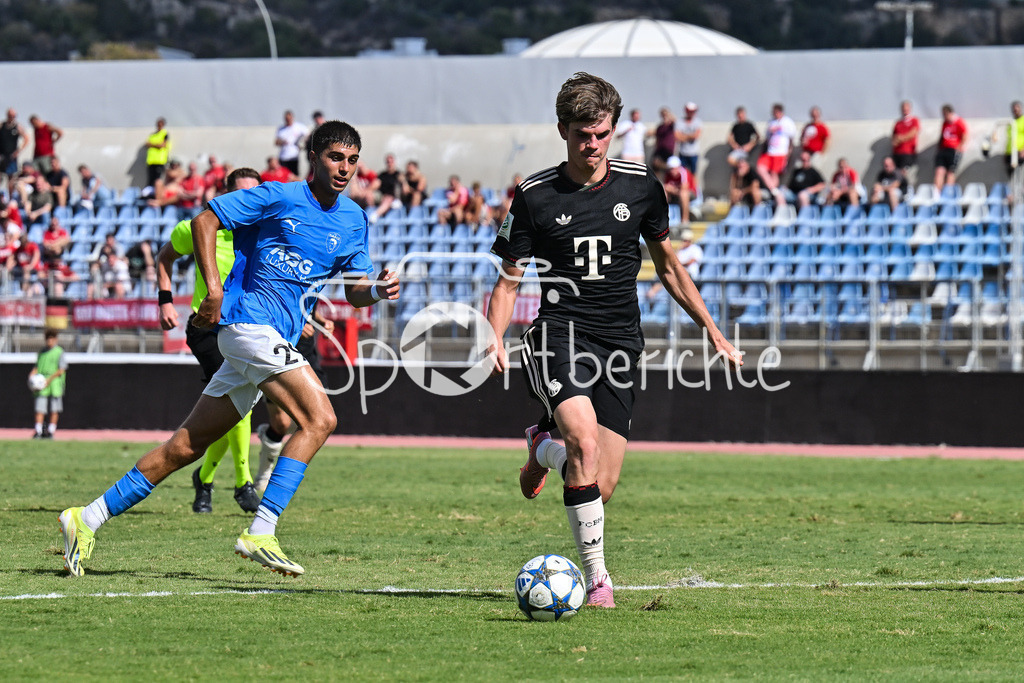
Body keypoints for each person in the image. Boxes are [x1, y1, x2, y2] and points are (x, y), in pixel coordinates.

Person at [58, 120, 401, 578]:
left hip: (265, 339)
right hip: (248, 326)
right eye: (336, 157)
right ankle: (261, 529)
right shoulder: (277, 196)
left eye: (353, 160)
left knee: (186, 445)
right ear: (314, 157)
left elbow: (356, 290)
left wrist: (376, 291)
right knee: (320, 419)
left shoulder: (353, 219)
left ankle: (87, 517)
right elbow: (204, 219)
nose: (345, 168)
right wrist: (214, 290)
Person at [486, 72, 741, 609]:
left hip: (622, 342)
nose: (592, 145)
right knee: (586, 444)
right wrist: (494, 337)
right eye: (582, 134)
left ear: (614, 129)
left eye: (601, 133)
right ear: (563, 130)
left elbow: (669, 268)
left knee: (599, 486)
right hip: (560, 333)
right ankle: (599, 579)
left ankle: (542, 447)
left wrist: (712, 329)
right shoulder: (534, 195)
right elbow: (509, 280)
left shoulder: (642, 187)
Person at [157, 167, 264, 514]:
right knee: (239, 398)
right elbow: (165, 257)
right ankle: (242, 483)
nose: (248, 201)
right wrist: (165, 300)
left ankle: (203, 479)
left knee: (231, 408)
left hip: (247, 329)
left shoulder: (266, 234)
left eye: (255, 194)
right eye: (241, 194)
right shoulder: (200, 227)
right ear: (225, 195)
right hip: (206, 328)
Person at [30, 329, 67, 439]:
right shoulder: (41, 352)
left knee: (54, 408)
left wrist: (49, 379)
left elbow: (62, 369)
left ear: (55, 339)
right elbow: (36, 367)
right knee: (40, 408)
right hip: (41, 384)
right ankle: (39, 431)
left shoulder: (59, 352)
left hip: (54, 383)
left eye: (52, 338)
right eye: (47, 338)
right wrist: (32, 375)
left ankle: (51, 431)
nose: (49, 341)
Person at [757, 103, 797, 197]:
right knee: (760, 168)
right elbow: (766, 138)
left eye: (777, 112)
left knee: (774, 173)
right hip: (770, 151)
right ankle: (774, 190)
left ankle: (773, 194)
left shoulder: (787, 122)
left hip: (781, 152)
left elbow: (792, 139)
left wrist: (788, 152)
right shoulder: (771, 122)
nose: (775, 114)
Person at [986, 100, 1024, 178]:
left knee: (1020, 174)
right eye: (1014, 109)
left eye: (1017, 108)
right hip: (1010, 151)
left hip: (1020, 152)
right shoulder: (1011, 122)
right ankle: (1013, 189)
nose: (1015, 110)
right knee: (1011, 174)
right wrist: (1006, 152)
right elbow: (1009, 138)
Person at [934, 104, 968, 191]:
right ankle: (937, 194)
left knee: (950, 172)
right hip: (943, 149)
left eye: (945, 114)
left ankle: (948, 193)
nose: (944, 116)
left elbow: (964, 135)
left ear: (950, 113)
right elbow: (942, 136)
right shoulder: (945, 123)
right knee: (939, 171)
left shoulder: (958, 121)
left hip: (953, 150)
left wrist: (959, 148)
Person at [88, 232, 129, 299]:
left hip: (119, 284)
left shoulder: (120, 262)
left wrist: (109, 285)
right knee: (93, 284)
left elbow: (120, 280)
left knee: (118, 286)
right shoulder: (102, 248)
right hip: (107, 279)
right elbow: (96, 259)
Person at [275, 110, 309, 177]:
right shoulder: (281, 128)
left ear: (292, 118)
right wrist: (282, 142)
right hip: (283, 156)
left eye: (289, 118)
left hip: (293, 156)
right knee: (283, 176)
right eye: (286, 119)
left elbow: (308, 135)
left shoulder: (299, 127)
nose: (288, 120)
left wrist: (301, 143)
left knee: (294, 175)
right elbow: (276, 142)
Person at [674, 102, 702, 185]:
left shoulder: (698, 122)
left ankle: (695, 191)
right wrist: (689, 136)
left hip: (694, 153)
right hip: (683, 152)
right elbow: (677, 137)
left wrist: (684, 136)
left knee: (694, 173)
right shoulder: (680, 122)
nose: (691, 113)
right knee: (683, 173)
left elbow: (696, 135)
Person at [891, 100, 920, 176]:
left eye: (907, 109)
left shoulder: (914, 120)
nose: (905, 111)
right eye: (903, 109)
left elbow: (913, 133)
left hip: (908, 152)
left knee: (903, 172)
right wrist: (896, 140)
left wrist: (901, 138)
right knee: (896, 172)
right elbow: (894, 138)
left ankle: (902, 186)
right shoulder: (898, 123)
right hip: (897, 153)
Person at [662, 156, 693, 224]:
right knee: (663, 192)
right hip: (676, 194)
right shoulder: (668, 174)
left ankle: (685, 219)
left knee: (684, 194)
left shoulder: (684, 172)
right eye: (670, 169)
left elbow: (684, 188)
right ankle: (663, 217)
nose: (672, 171)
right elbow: (666, 187)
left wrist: (671, 189)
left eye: (673, 169)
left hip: (690, 194)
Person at [647, 107, 677, 176]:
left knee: (668, 168)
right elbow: (657, 137)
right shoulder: (660, 127)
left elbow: (675, 121)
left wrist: (668, 114)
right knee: (655, 164)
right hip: (660, 149)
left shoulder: (671, 126)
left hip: (668, 150)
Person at [0, 108, 28, 180]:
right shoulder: (2, 125)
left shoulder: (18, 127)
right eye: (10, 116)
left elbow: (26, 138)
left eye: (13, 116)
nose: (11, 117)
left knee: (11, 175)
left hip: (11, 154)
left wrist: (19, 150)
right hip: (2, 154)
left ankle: (10, 191)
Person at [145, 118, 171, 188]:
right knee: (150, 180)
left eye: (160, 124)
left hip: (160, 161)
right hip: (151, 161)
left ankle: (156, 194)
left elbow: (162, 145)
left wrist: (152, 144)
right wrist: (156, 145)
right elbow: (147, 144)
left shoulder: (165, 134)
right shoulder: (152, 135)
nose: (159, 126)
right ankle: (149, 194)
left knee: (157, 180)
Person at [375, 153, 402, 218]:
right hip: (383, 196)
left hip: (393, 197)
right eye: (388, 162)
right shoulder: (382, 175)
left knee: (388, 199)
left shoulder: (399, 175)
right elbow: (375, 185)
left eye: (391, 162)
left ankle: (375, 215)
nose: (389, 164)